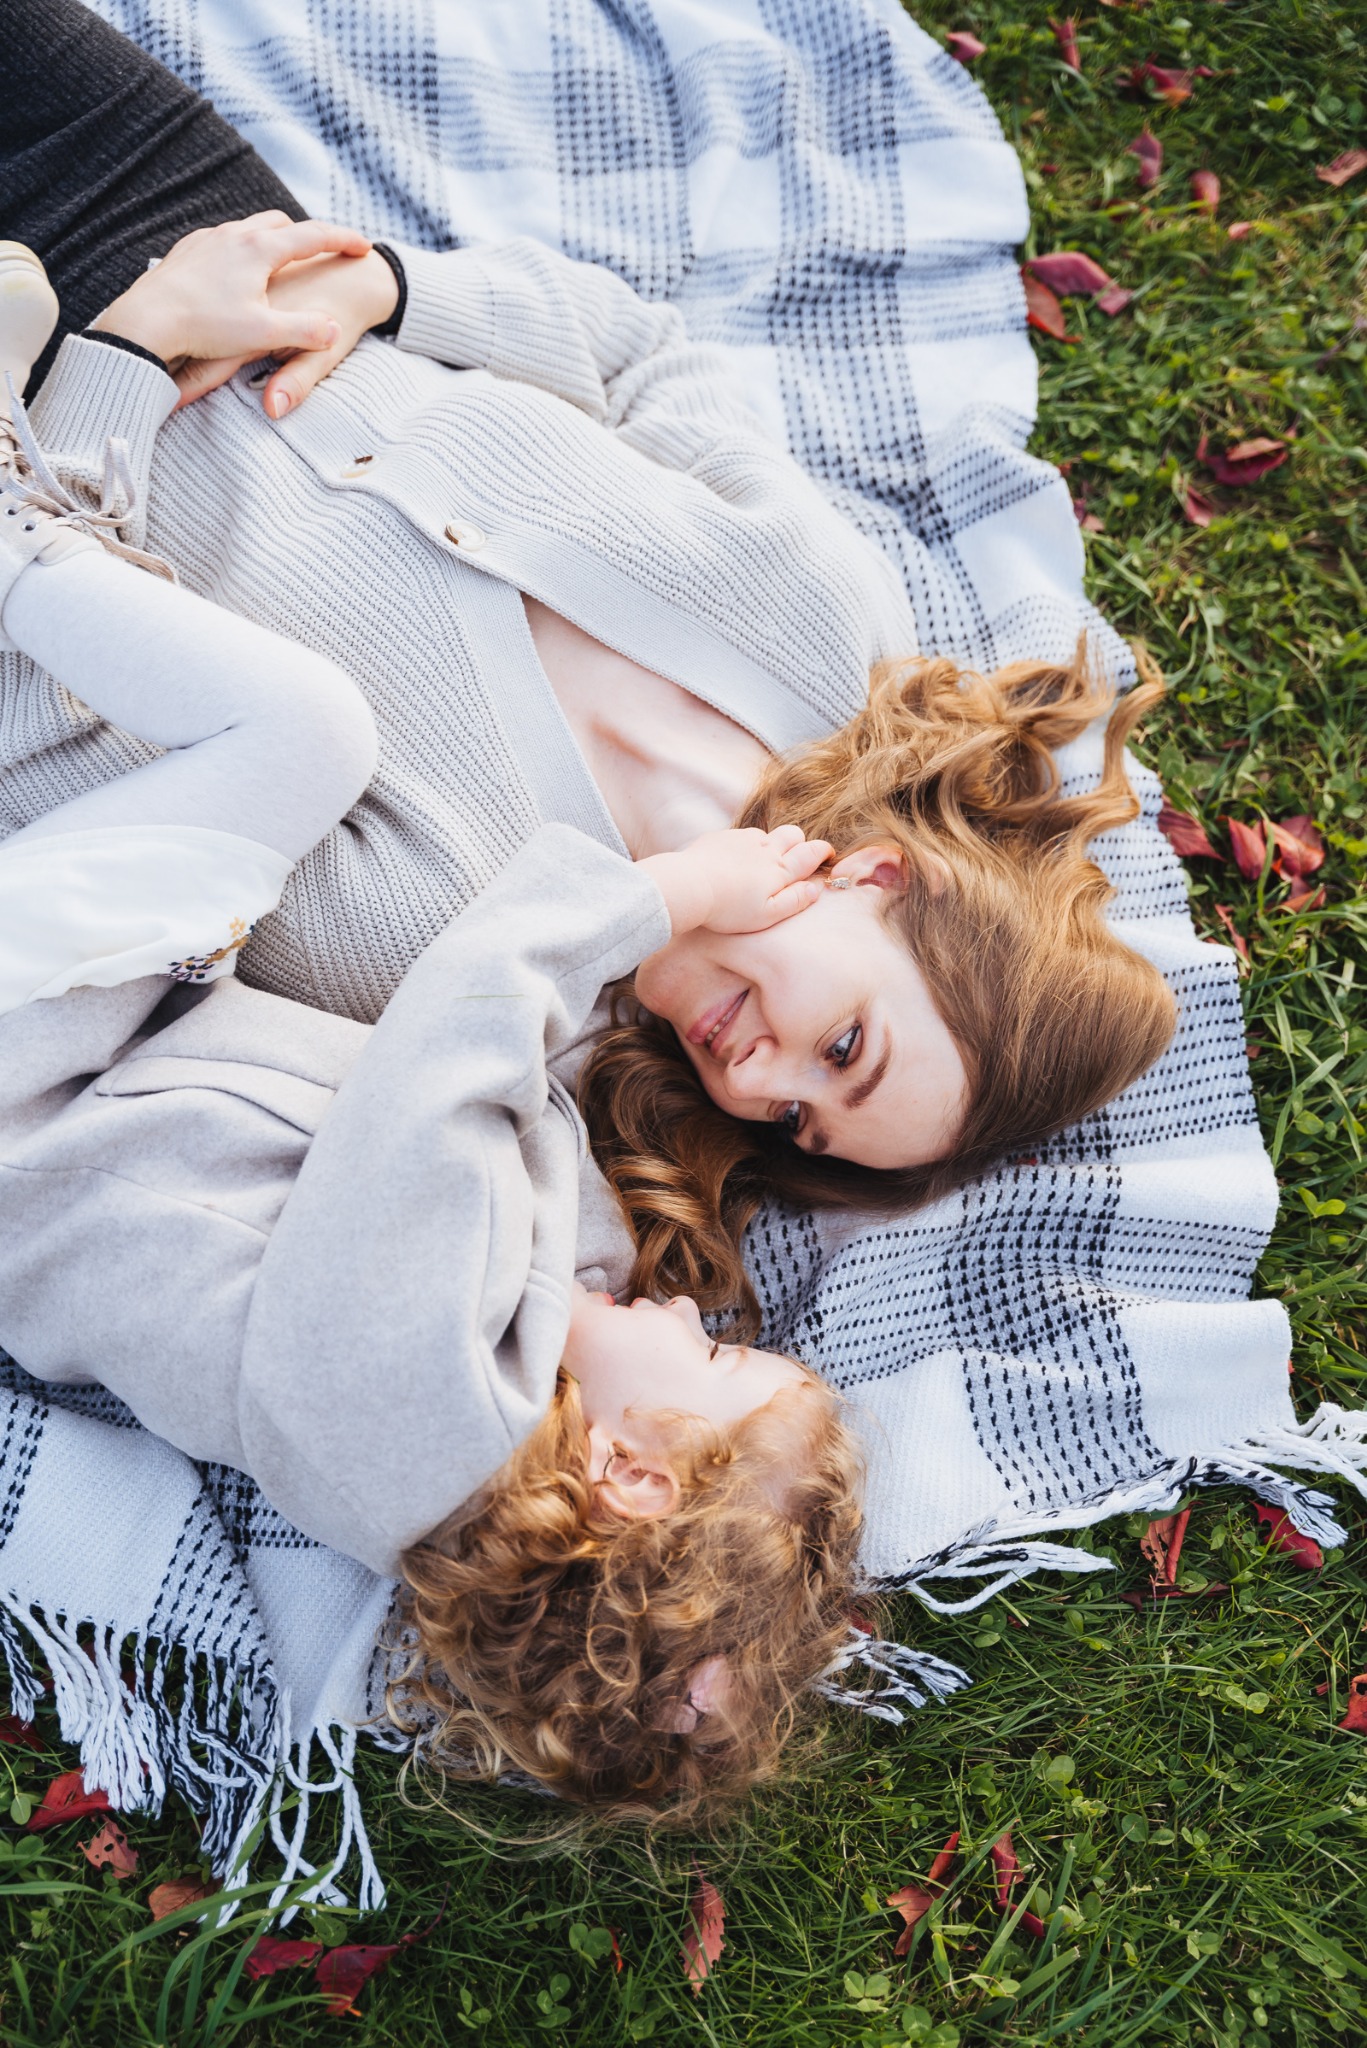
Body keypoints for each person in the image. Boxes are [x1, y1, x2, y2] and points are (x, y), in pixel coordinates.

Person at [3, 1, 1177, 1253]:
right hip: (199, 220)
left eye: (796, 1121)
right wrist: (390, 293)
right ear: (891, 880)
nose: (759, 1085)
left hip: (32, 413)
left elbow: (47, 718)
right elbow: (636, 360)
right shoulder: (827, 628)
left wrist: (131, 355)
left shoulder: (449, 961)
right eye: (843, 1048)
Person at [0, 283, 864, 1818]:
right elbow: (522, 1157)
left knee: (304, 736)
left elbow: (446, 1052)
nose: (698, 1313)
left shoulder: (406, 1428)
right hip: (119, 1032)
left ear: (629, 1474)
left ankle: (12, 524)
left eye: (721, 1358)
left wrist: (666, 895)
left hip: (26, 1062)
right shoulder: (509, 1377)